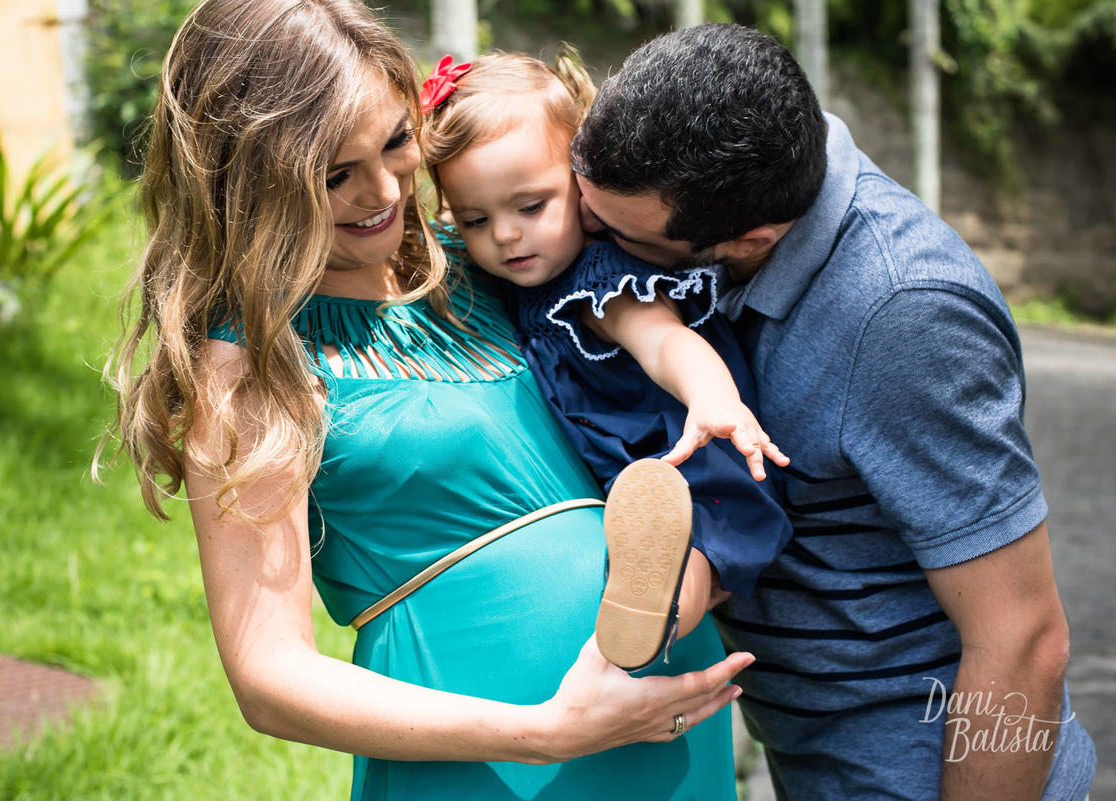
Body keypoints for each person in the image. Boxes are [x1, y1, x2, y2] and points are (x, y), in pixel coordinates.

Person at [100, 3, 751, 801]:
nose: (383, 191)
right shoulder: (250, 363)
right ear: (254, 178)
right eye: (335, 174)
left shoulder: (487, 256)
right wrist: (549, 729)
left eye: (396, 142)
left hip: (665, 725)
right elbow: (268, 674)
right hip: (492, 754)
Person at [570, 22, 1097, 801]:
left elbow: (1024, 640)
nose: (587, 239)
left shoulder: (903, 311)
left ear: (748, 240)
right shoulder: (741, 202)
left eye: (614, 234)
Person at [419, 50, 793, 671]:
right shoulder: (520, 271)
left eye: (531, 207)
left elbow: (663, 340)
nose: (507, 235)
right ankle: (647, 594)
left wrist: (712, 399)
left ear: (583, 191)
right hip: (619, 475)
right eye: (476, 218)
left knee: (694, 554)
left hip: (681, 458)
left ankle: (657, 612)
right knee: (658, 541)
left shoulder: (601, 283)